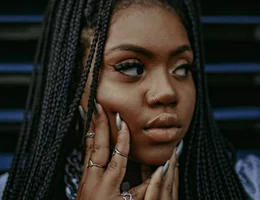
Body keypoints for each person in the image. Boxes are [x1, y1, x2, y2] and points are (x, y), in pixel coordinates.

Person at [0, 0, 259, 199]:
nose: (168, 91)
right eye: (132, 67)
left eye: (182, 68)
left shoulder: (251, 186)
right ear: (75, 83)